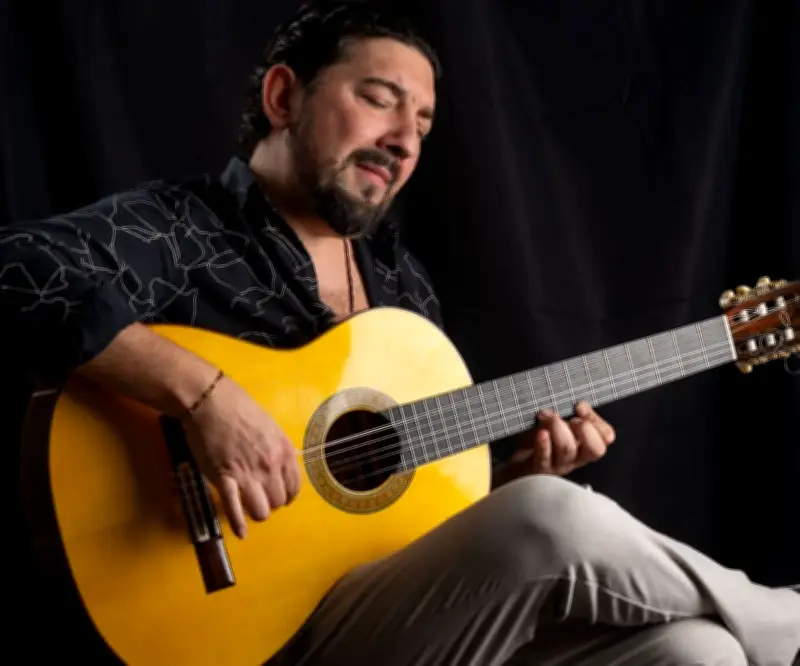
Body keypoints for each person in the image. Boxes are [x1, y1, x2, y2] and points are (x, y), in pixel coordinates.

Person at [2, 2, 799, 665]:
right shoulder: (181, 229)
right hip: (238, 635)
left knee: (696, 651)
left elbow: (404, 523)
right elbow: (16, 268)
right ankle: (785, 622)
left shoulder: (402, 290)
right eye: (381, 99)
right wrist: (204, 396)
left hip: (392, 626)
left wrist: (513, 478)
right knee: (554, 516)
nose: (406, 140)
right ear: (283, 97)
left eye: (422, 121)